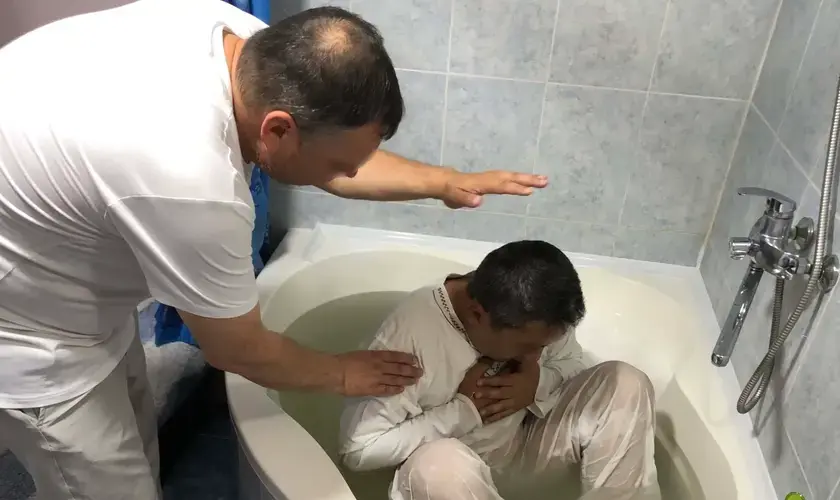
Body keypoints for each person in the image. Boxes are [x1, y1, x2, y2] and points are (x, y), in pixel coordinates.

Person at [0, 2, 548, 500]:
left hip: (62, 258)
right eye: (340, 165)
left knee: (134, 442)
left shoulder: (242, 40)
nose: (349, 174)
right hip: (33, 336)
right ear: (279, 130)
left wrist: (443, 181)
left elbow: (331, 153)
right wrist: (343, 373)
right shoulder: (191, 183)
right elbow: (237, 349)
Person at [339, 241, 661, 500]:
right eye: (527, 346)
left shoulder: (537, 309)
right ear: (478, 314)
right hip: (455, 482)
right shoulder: (411, 338)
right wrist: (463, 411)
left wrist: (537, 383)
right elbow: (359, 450)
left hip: (525, 450)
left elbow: (574, 363)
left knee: (625, 383)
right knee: (438, 466)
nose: (536, 355)